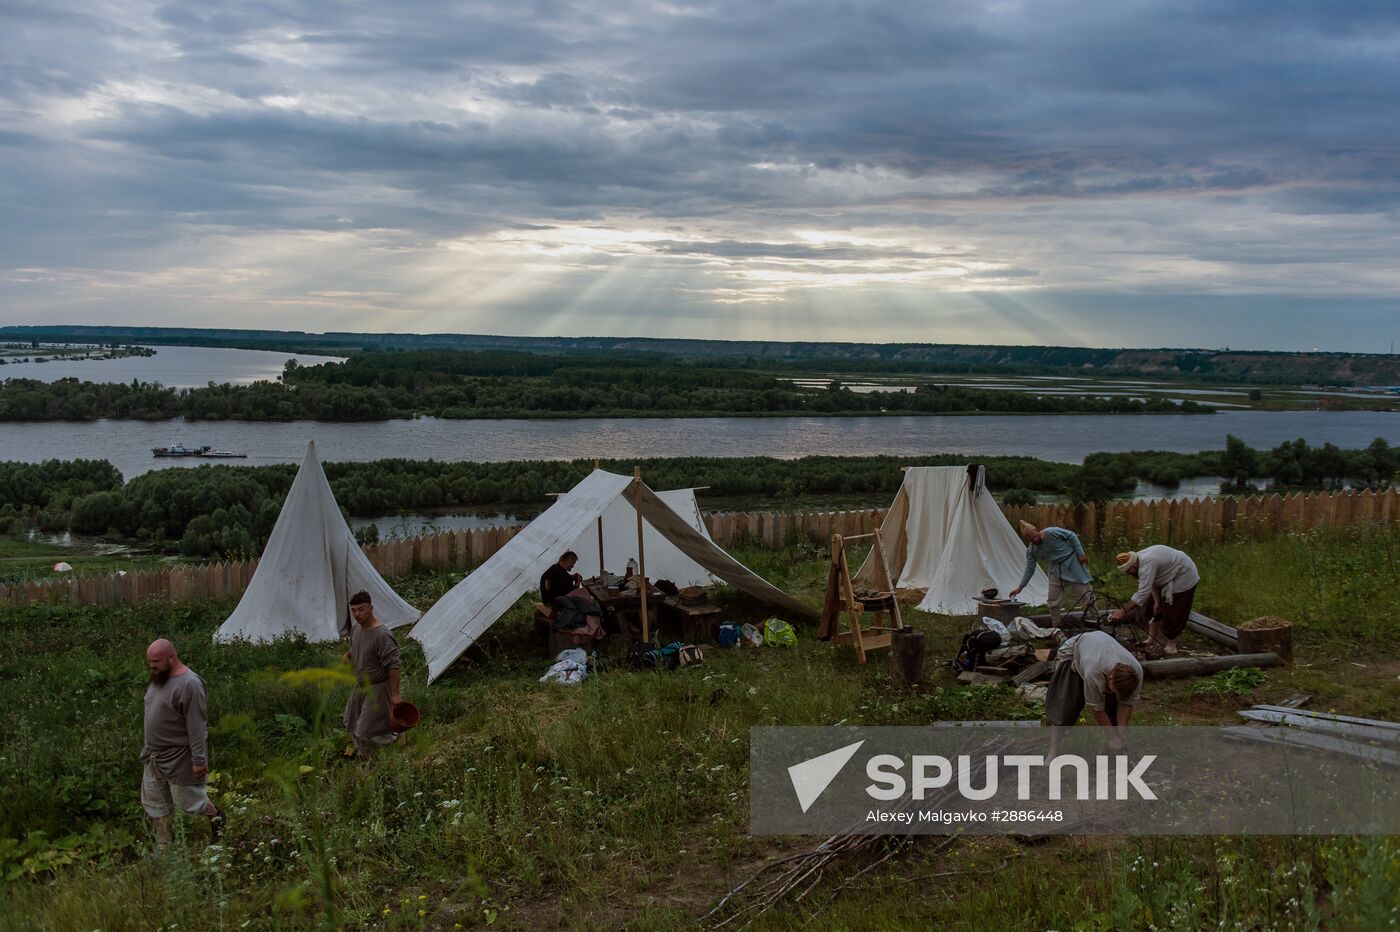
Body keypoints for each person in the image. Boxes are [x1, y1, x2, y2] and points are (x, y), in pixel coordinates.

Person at [140, 639, 222, 848]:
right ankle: (163, 847)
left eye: (156, 661)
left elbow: (197, 726)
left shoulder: (190, 684)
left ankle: (218, 821)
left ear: (171, 657)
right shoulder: (159, 677)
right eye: (149, 661)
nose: (151, 666)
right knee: (155, 806)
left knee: (191, 804)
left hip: (179, 757)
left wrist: (199, 760)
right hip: (153, 756)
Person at [1045, 630, 1142, 758]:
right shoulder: (1093, 671)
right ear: (1110, 678)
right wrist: (1112, 736)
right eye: (1114, 690)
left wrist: (1121, 733)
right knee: (1064, 709)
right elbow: (1097, 709)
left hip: (1099, 648)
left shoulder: (1137, 671)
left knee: (1112, 708)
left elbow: (1127, 704)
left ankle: (1114, 749)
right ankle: (1053, 751)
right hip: (1074, 653)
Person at [342, 590, 403, 758]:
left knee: (366, 730)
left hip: (378, 686)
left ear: (371, 608)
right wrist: (348, 655)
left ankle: (395, 737)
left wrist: (396, 694)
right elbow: (357, 646)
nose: (357, 614)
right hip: (361, 685)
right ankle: (366, 757)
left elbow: (393, 665)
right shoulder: (356, 629)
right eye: (353, 610)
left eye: (361, 609)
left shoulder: (382, 634)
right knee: (351, 723)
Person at [1109, 546, 1200, 656]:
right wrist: (1157, 601)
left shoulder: (1146, 564)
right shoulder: (1138, 561)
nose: (1128, 573)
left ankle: (1171, 644)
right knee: (1151, 605)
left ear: (1133, 565)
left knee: (1172, 611)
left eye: (1128, 570)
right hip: (1167, 573)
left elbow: (1142, 593)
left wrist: (1122, 611)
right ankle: (1151, 638)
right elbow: (1152, 583)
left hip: (1183, 574)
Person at [1009, 521, 1093, 624]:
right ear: (1027, 540)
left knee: (1087, 596)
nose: (1035, 540)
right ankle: (1056, 626)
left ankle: (1094, 619)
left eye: (1035, 536)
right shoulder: (1031, 551)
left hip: (1072, 564)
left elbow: (1071, 535)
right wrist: (1020, 588)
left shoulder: (1051, 532)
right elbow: (1030, 569)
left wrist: (1080, 553)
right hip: (1056, 570)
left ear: (1037, 531)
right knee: (1052, 601)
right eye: (1031, 539)